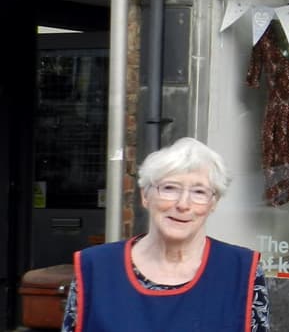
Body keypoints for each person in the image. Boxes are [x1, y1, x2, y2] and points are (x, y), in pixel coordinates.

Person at [62, 137, 269, 331]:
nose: (183, 204)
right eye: (170, 188)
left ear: (213, 203)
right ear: (145, 196)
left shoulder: (241, 270)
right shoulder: (94, 268)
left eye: (199, 192)